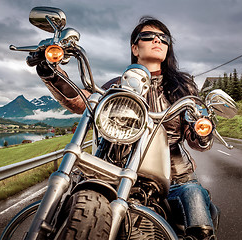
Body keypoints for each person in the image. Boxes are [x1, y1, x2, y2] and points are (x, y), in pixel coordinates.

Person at [34, 16, 216, 240]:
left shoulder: (182, 88)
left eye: (163, 38)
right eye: (148, 36)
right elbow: (84, 101)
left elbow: (195, 134)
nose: (157, 40)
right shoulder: (117, 85)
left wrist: (201, 131)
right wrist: (52, 74)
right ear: (135, 47)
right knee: (74, 191)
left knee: (194, 195)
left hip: (174, 179)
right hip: (115, 172)